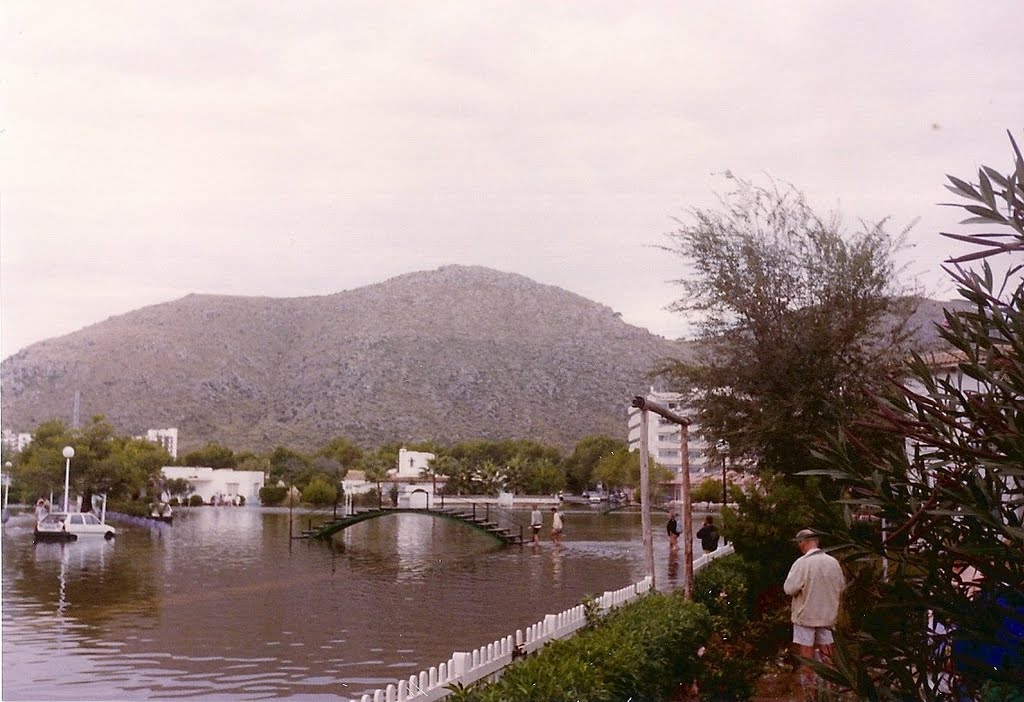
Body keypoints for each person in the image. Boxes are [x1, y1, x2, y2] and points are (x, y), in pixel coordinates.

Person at [783, 529, 846, 690]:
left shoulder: (802, 563)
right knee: (828, 652)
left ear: (802, 542)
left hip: (806, 615)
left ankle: (810, 688)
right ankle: (831, 686)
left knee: (807, 653)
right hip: (828, 615)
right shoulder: (833, 562)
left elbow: (789, 589)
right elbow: (842, 586)